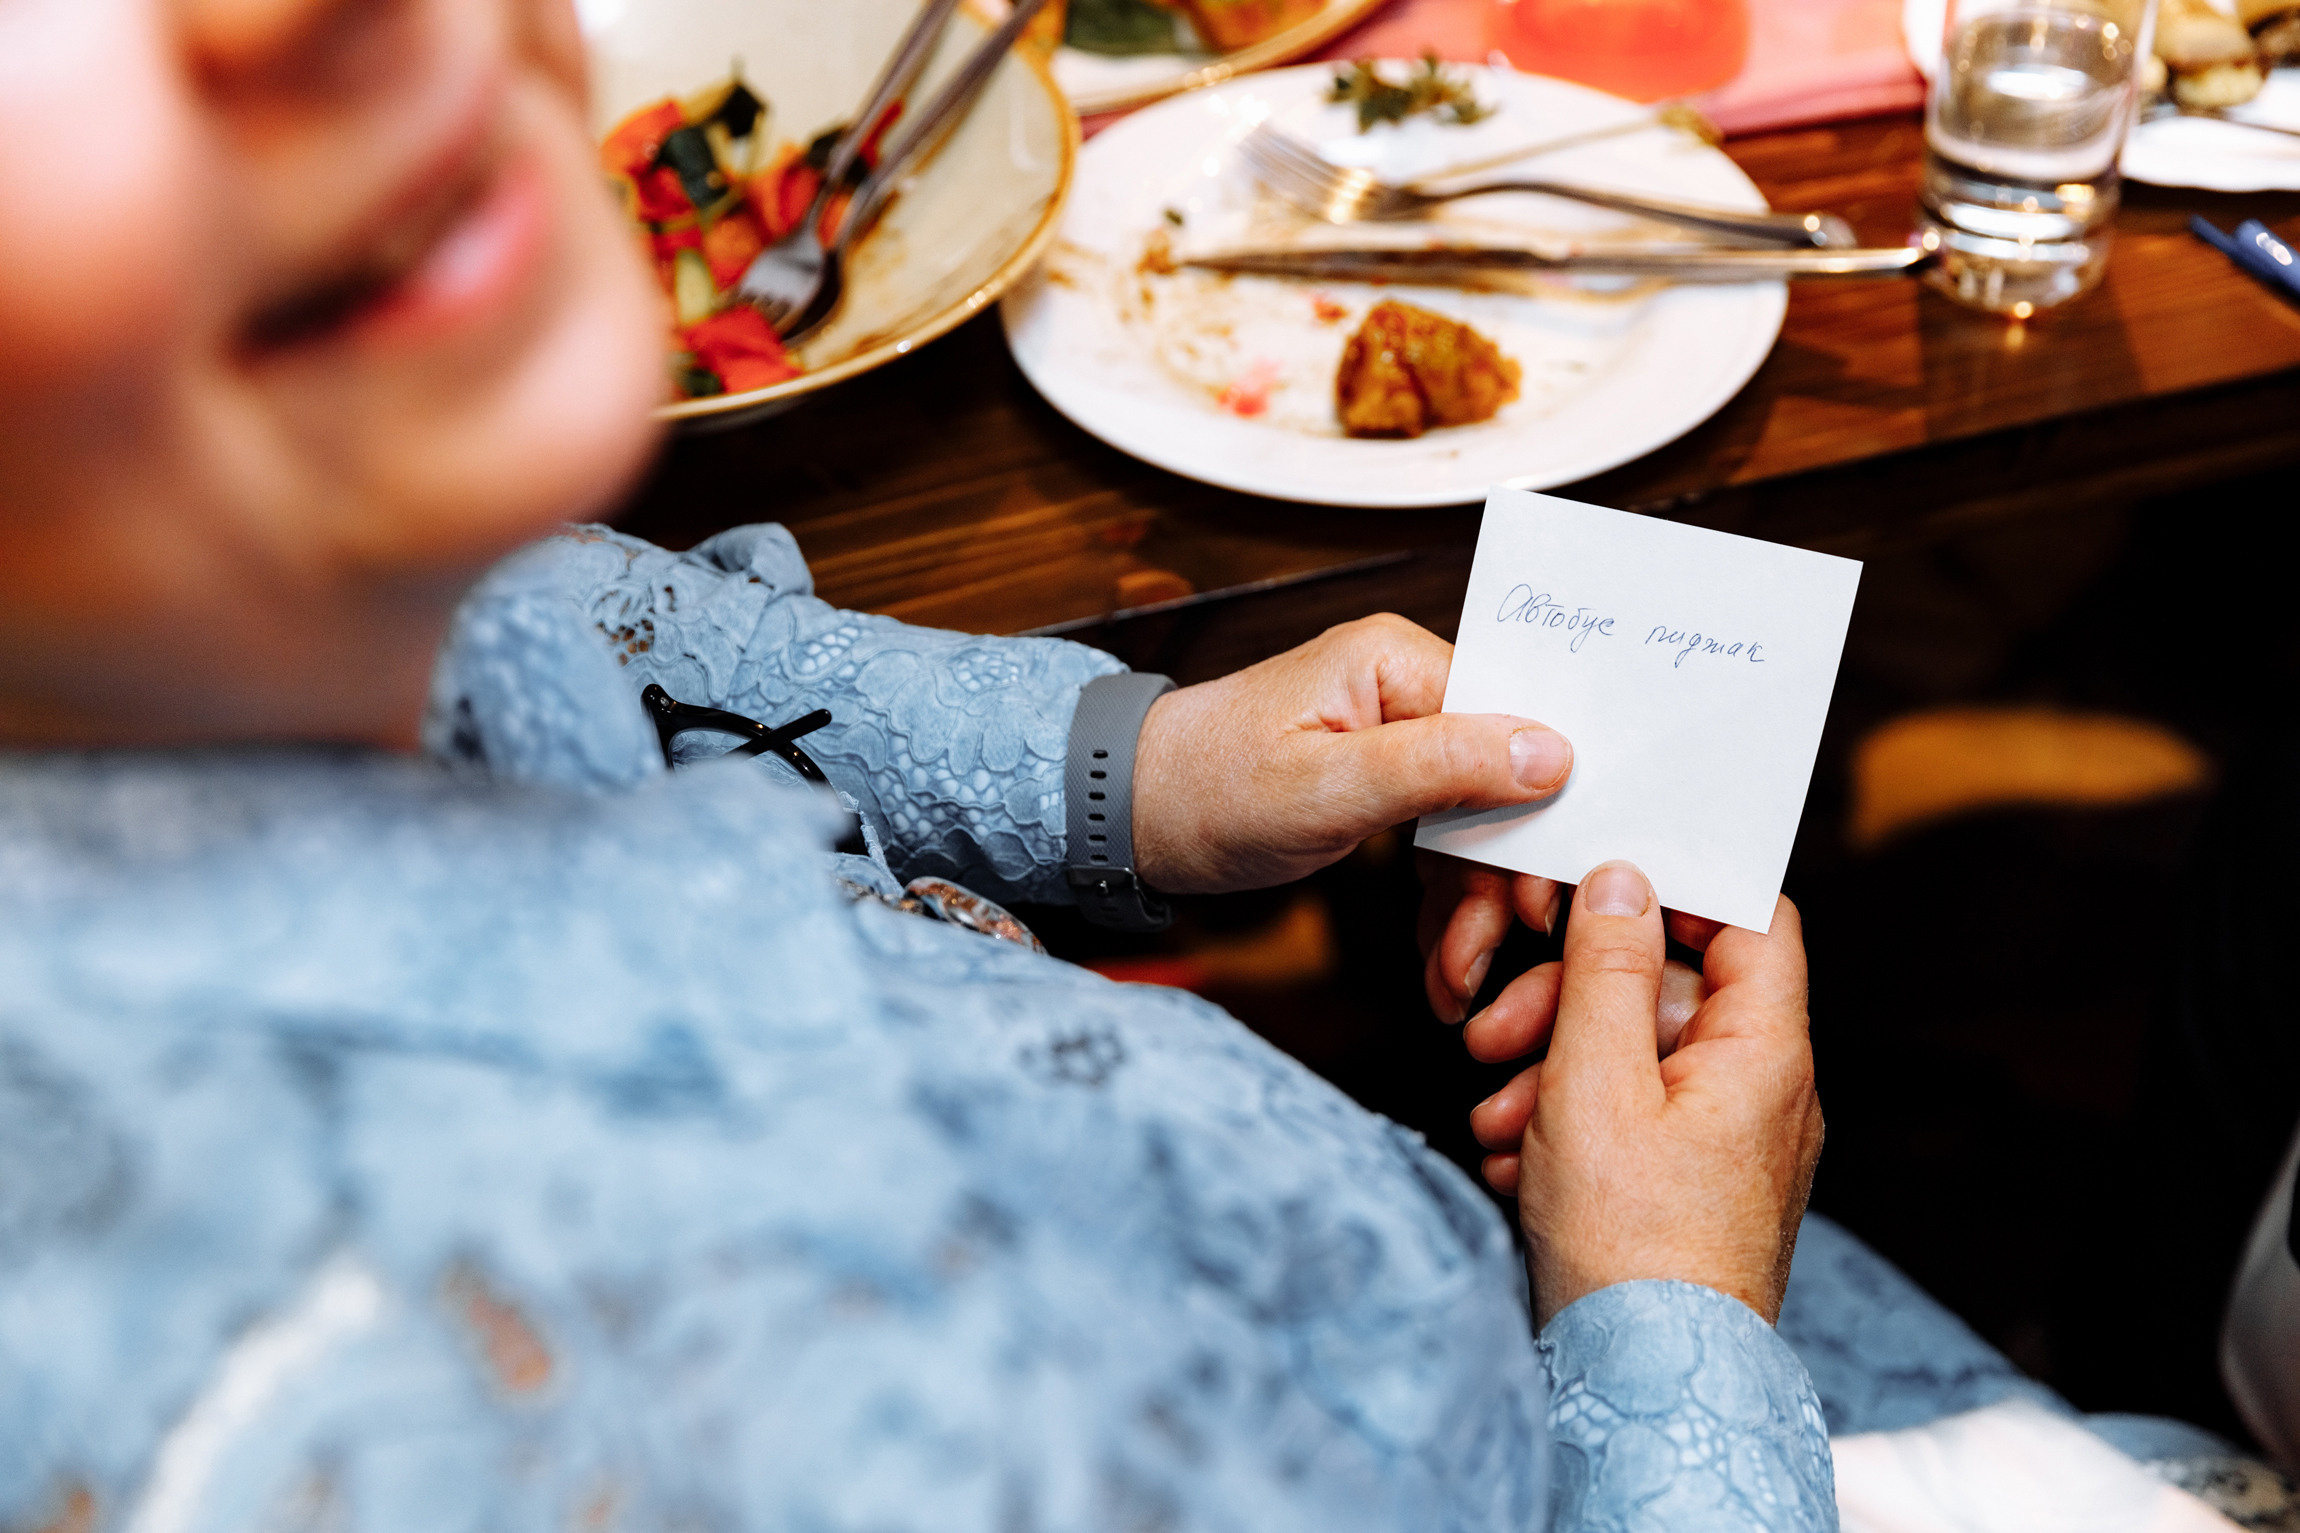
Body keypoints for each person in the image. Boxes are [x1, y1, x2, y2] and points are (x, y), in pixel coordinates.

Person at [1, 0, 1845, 1528]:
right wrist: (1671, 1323)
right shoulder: (559, 1387)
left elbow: (587, 627)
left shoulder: (231, 575)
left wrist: (1140, 772)